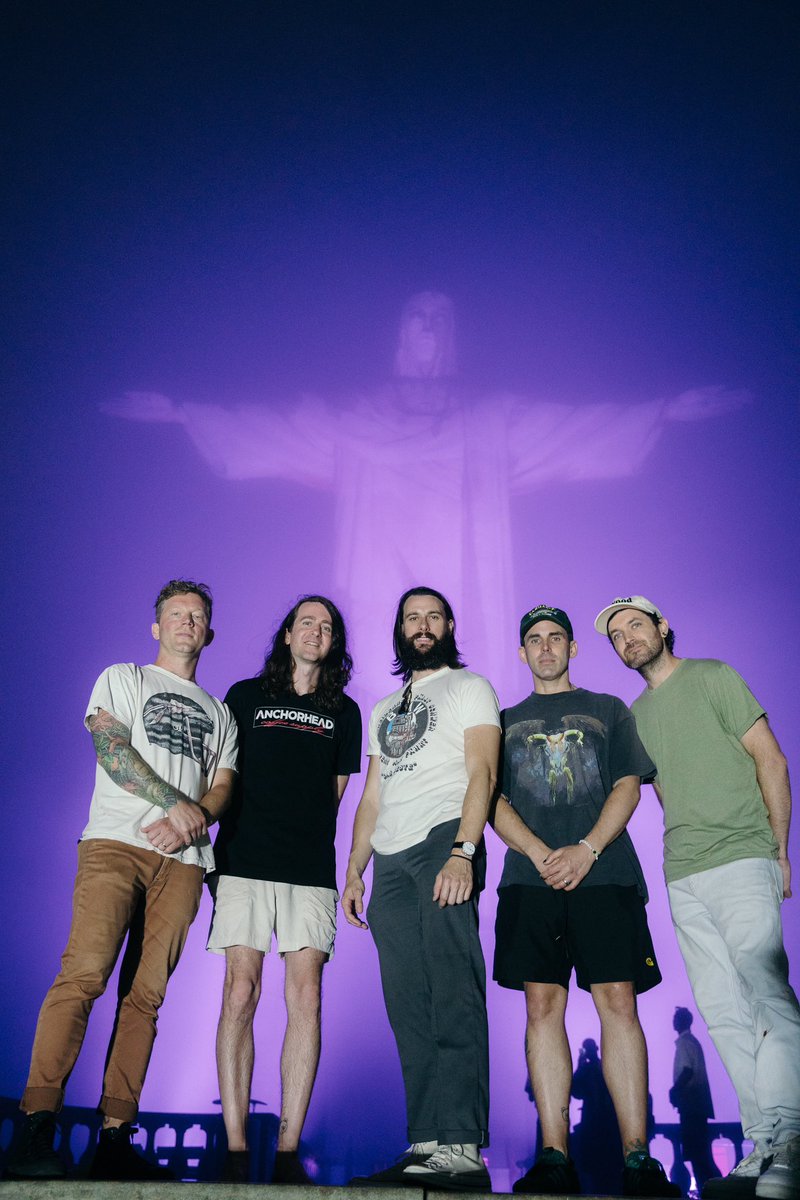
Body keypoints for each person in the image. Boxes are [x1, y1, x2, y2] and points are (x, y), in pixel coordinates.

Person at [105, 292, 744, 695]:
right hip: (382, 574)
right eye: (419, 320)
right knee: (388, 672)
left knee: (461, 679)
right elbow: (275, 429)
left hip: (464, 581)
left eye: (443, 321)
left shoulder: (488, 420)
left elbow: (573, 429)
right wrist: (185, 412)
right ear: (400, 338)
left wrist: (663, 411)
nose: (431, 331)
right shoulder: (356, 421)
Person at [8, 580, 238, 1181]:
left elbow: (223, 784)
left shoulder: (219, 712)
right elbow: (111, 748)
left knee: (146, 999)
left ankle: (115, 1136)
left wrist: (199, 816)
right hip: (116, 844)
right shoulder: (124, 678)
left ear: (209, 632)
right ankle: (38, 1124)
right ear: (156, 628)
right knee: (83, 974)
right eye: (176, 614)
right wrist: (173, 804)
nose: (188, 622)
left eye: (198, 615)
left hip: (185, 864)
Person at [596, 595, 800, 1200]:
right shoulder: (634, 715)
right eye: (616, 634)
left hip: (744, 857)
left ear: (662, 627)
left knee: (768, 996)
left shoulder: (713, 675)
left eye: (637, 624)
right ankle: (762, 1140)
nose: (628, 637)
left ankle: (790, 1140)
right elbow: (662, 793)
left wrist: (780, 849)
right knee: (721, 1011)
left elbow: (771, 757)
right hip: (684, 873)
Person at [491, 604, 678, 1197]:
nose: (545, 648)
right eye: (534, 640)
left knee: (618, 1004)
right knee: (542, 1008)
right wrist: (543, 853)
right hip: (530, 880)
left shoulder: (608, 710)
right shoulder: (503, 720)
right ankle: (554, 1157)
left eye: (555, 638)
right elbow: (491, 799)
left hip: (605, 876)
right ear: (522, 653)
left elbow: (628, 783)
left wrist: (586, 849)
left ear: (573, 648)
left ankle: (637, 1157)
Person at [342, 586, 500, 1191]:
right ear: (400, 629)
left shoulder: (469, 686)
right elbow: (372, 796)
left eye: (433, 616)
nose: (423, 625)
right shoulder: (385, 707)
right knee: (407, 1000)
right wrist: (355, 869)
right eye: (412, 617)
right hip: (390, 859)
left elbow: (482, 770)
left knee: (452, 988)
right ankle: (426, 1141)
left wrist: (464, 849)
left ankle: (462, 1146)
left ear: (449, 625)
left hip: (442, 840)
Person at [207, 595, 361, 1184]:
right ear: (288, 634)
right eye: (307, 623)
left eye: (327, 626)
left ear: (334, 642)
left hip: (309, 873)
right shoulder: (245, 697)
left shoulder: (344, 712)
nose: (316, 632)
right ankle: (238, 1149)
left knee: (306, 1000)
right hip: (243, 862)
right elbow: (221, 774)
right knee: (240, 994)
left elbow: (336, 793)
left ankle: (291, 1151)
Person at [669, 1007, 721, 1192]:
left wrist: (674, 1091)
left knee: (697, 1156)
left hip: (690, 1106)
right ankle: (708, 1190)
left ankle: (707, 1191)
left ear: (682, 1021)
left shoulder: (684, 1043)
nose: (673, 1021)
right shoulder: (692, 1042)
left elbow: (687, 1070)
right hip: (697, 1105)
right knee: (700, 1155)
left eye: (676, 1018)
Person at [571, 1037, 624, 1195]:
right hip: (604, 1123)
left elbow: (575, 1091)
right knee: (603, 1169)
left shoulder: (591, 1069)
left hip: (597, 1123)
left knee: (598, 1169)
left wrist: (579, 1065)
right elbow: (576, 1091)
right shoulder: (601, 1067)